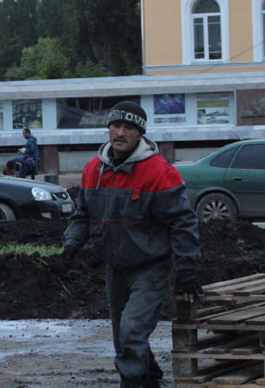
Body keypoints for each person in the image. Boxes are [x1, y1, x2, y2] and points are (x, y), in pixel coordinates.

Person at [61, 101, 201, 388]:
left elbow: (182, 222)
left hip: (150, 267)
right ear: (108, 128)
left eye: (128, 127)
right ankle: (149, 379)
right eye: (115, 125)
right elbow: (82, 214)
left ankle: (133, 383)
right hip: (115, 268)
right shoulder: (93, 170)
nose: (120, 132)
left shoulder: (159, 172)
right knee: (121, 336)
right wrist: (71, 243)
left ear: (140, 133)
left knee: (132, 331)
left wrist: (187, 267)